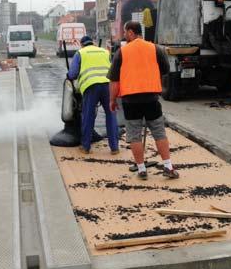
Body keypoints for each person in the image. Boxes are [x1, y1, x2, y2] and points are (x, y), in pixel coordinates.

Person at [108, 21, 178, 180]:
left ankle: (141, 169)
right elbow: (166, 70)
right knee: (159, 133)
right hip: (151, 98)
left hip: (130, 100)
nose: (124, 35)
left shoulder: (122, 52)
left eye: (125, 32)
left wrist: (112, 100)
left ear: (131, 32)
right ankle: (168, 167)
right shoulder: (155, 49)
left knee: (134, 135)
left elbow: (114, 81)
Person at [67, 36, 119, 155]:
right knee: (111, 115)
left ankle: (86, 147)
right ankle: (114, 148)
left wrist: (69, 76)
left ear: (82, 44)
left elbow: (72, 73)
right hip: (108, 86)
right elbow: (113, 69)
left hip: (91, 87)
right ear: (93, 43)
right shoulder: (105, 52)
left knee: (88, 116)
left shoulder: (80, 53)